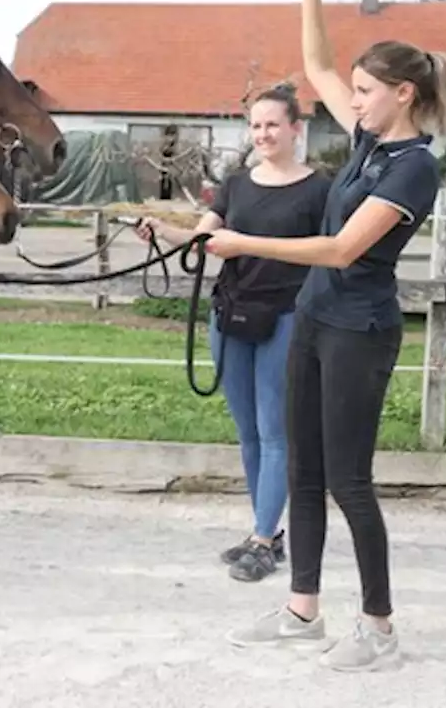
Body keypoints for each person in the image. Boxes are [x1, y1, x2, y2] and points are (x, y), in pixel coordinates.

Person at [210, 0, 446, 672]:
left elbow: (345, 249)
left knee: (349, 478)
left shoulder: (414, 168)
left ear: (402, 93)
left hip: (359, 328)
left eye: (364, 91)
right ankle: (301, 610)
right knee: (307, 472)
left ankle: (378, 626)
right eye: (352, 92)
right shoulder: (367, 143)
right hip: (315, 319)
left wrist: (242, 240)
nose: (350, 100)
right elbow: (317, 64)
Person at [137, 84, 329, 584]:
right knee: (248, 433)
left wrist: (244, 243)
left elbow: (329, 249)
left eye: (273, 124)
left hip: (286, 316)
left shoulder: (319, 189)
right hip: (231, 314)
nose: (263, 133)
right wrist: (162, 231)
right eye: (256, 125)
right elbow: (205, 238)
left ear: (295, 129)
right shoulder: (238, 184)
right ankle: (262, 532)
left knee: (275, 431)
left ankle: (265, 540)